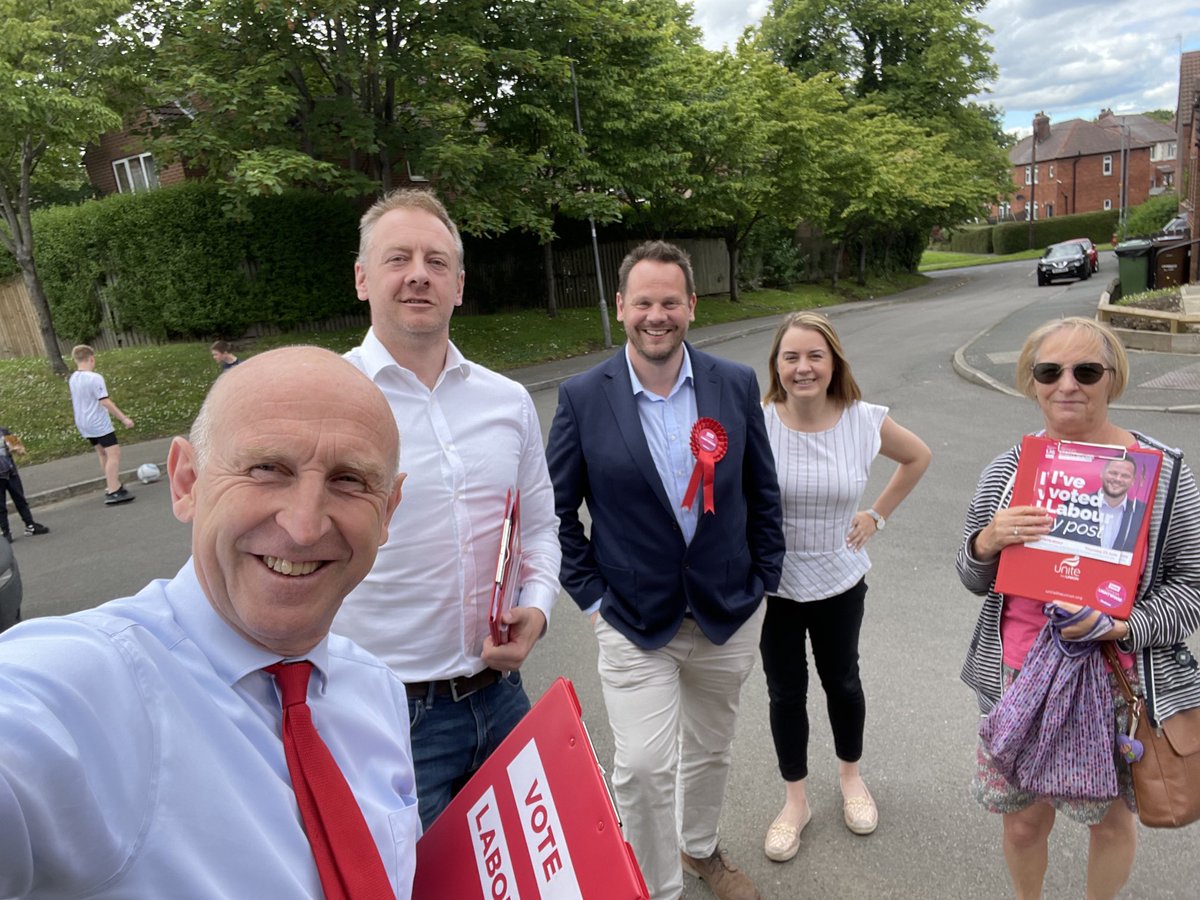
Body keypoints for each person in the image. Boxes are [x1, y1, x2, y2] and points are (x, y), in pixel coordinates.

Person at [0, 347, 419, 898]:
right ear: (186, 482)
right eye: (267, 468)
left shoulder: (377, 691)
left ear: (386, 512)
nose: (305, 526)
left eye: (350, 480)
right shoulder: (85, 686)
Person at [546, 240, 785, 900]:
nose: (658, 315)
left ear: (691, 306)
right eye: (644, 302)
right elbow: (555, 514)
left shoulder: (732, 384)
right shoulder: (581, 398)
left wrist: (763, 578)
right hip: (631, 618)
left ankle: (701, 850)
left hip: (727, 612)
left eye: (670, 302)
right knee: (646, 767)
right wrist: (593, 599)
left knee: (710, 749)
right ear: (621, 307)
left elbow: (763, 493)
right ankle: (656, 888)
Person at [333, 188, 561, 830]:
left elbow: (541, 527)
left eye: (436, 261)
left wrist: (537, 610)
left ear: (459, 285)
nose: (417, 274)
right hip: (387, 720)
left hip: (502, 698)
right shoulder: (330, 401)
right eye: (397, 257)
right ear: (361, 278)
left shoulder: (507, 401)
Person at [956, 317, 1200, 900]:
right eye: (1050, 371)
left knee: (1110, 821)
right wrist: (987, 542)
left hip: (1116, 679)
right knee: (1023, 819)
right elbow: (970, 576)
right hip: (1021, 676)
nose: (1067, 384)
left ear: (1112, 380)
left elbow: (1190, 588)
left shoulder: (1162, 471)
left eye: (1086, 370)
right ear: (1032, 383)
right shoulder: (1010, 468)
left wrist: (1125, 625)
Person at [758, 312, 931, 862]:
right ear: (777, 366)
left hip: (840, 578)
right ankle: (796, 801)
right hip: (774, 587)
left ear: (834, 362)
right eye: (791, 357)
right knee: (786, 692)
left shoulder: (863, 419)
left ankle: (851, 779)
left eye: (815, 356)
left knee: (843, 684)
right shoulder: (756, 421)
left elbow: (918, 456)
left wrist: (876, 516)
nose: (803, 367)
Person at [67, 344, 135, 505]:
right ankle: (113, 490)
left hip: (84, 422)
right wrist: (123, 418)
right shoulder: (94, 378)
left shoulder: (73, 378)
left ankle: (111, 483)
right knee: (114, 454)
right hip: (98, 423)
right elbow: (104, 401)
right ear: (91, 358)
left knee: (102, 453)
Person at [1049, 456, 1145, 553]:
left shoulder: (1142, 512)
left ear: (1133, 480)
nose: (1118, 479)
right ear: (1101, 473)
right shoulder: (1075, 503)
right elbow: (1054, 543)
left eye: (1125, 476)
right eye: (1113, 473)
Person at [0, 426, 50, 542]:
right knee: (1, 506)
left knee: (20, 499)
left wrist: (17, 449)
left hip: (11, 473)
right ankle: (6, 532)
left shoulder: (4, 432)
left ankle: (30, 525)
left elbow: (20, 450)